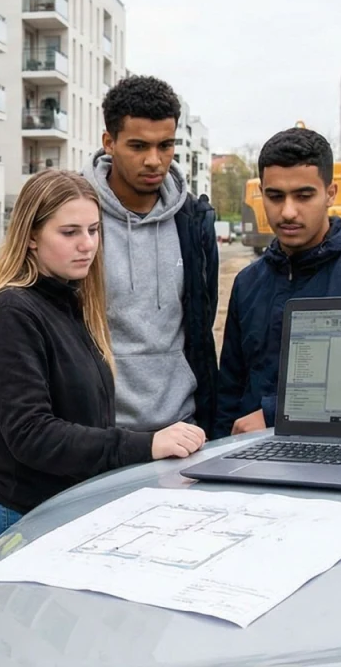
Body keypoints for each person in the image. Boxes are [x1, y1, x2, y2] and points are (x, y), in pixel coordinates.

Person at [0, 170, 207, 561]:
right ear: (30, 235)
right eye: (69, 232)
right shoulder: (11, 313)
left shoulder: (67, 302)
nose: (87, 245)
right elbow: (32, 435)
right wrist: (146, 444)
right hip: (20, 521)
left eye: (94, 230)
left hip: (66, 511)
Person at [218, 127, 341, 435]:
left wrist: (272, 414)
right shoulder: (248, 283)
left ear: (330, 193)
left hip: (338, 458)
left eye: (304, 196)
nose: (288, 211)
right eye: (275, 196)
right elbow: (229, 389)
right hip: (248, 464)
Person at [81, 75, 223, 438]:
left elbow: (199, 323)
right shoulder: (76, 217)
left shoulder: (194, 221)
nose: (154, 161)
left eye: (165, 146)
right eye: (138, 146)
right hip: (101, 433)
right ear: (108, 143)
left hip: (183, 428)